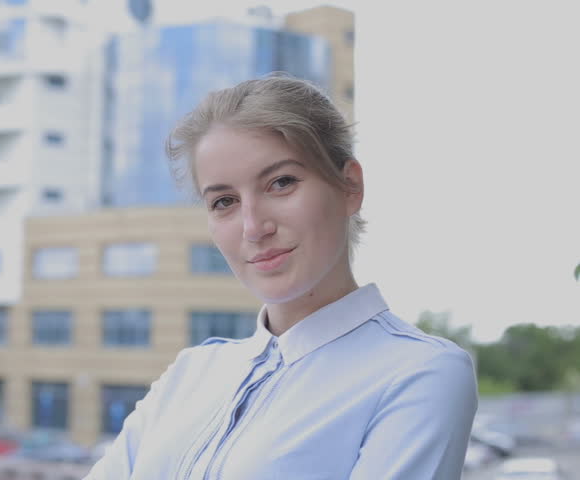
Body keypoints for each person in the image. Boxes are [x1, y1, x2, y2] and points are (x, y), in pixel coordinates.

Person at [84, 74, 478, 479]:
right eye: (224, 201)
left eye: (281, 183)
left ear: (349, 186)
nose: (253, 227)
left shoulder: (419, 372)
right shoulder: (191, 372)